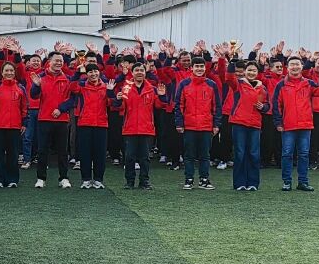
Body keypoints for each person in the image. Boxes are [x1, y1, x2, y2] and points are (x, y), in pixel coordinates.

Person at [173, 56, 222, 191]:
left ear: (205, 68)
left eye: (201, 66)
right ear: (192, 68)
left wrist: (216, 124)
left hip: (206, 126)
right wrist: (179, 123)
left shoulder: (211, 85)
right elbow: (178, 105)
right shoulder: (184, 84)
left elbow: (217, 106)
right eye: (197, 66)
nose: (199, 69)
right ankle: (188, 179)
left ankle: (204, 180)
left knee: (205, 155)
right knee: (189, 155)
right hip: (189, 126)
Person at [114, 61, 164, 190]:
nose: (139, 72)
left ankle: (144, 181)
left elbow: (159, 106)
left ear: (145, 72)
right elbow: (120, 108)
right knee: (129, 157)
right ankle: (129, 182)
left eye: (142, 70)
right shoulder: (126, 88)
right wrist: (118, 100)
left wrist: (162, 97)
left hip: (146, 128)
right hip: (130, 128)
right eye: (137, 70)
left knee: (145, 158)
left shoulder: (152, 89)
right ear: (132, 73)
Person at [31, 53, 76, 189]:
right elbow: (33, 95)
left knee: (62, 151)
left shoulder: (67, 78)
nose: (59, 63)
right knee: (42, 150)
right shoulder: (41, 77)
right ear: (49, 62)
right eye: (56, 60)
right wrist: (36, 86)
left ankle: (64, 178)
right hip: (44, 118)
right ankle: (41, 178)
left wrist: (61, 109)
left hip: (62, 120)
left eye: (61, 61)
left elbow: (73, 99)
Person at [271, 57, 316, 192]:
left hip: (305, 125)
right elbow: (276, 104)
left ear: (302, 66)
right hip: (288, 125)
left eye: (297, 64)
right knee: (286, 154)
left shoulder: (309, 83)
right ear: (287, 67)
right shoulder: (281, 85)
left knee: (304, 154)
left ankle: (303, 182)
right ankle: (287, 182)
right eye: (292, 64)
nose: (294, 67)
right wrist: (278, 122)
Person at [66, 64, 114, 189]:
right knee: (85, 153)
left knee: (100, 154)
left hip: (101, 124)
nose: (93, 74)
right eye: (90, 72)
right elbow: (71, 87)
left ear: (99, 73)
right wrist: (77, 72)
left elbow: (112, 103)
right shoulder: (82, 86)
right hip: (85, 123)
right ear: (86, 74)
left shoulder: (106, 86)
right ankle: (86, 179)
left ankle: (98, 179)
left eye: (95, 71)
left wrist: (110, 92)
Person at [0, 62, 27, 188]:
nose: (9, 73)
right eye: (6, 70)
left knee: (13, 155)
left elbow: (24, 107)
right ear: (2, 72)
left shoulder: (20, 88)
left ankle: (12, 179)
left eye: (11, 70)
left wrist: (24, 122)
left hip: (14, 126)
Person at [228, 61, 267, 191]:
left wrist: (264, 107)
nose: (251, 72)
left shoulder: (262, 88)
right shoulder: (238, 84)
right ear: (244, 71)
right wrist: (228, 60)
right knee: (240, 154)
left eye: (254, 70)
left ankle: (253, 183)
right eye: (249, 70)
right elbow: (228, 77)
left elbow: (267, 104)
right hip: (239, 123)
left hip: (255, 124)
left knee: (254, 154)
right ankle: (239, 183)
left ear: (258, 73)